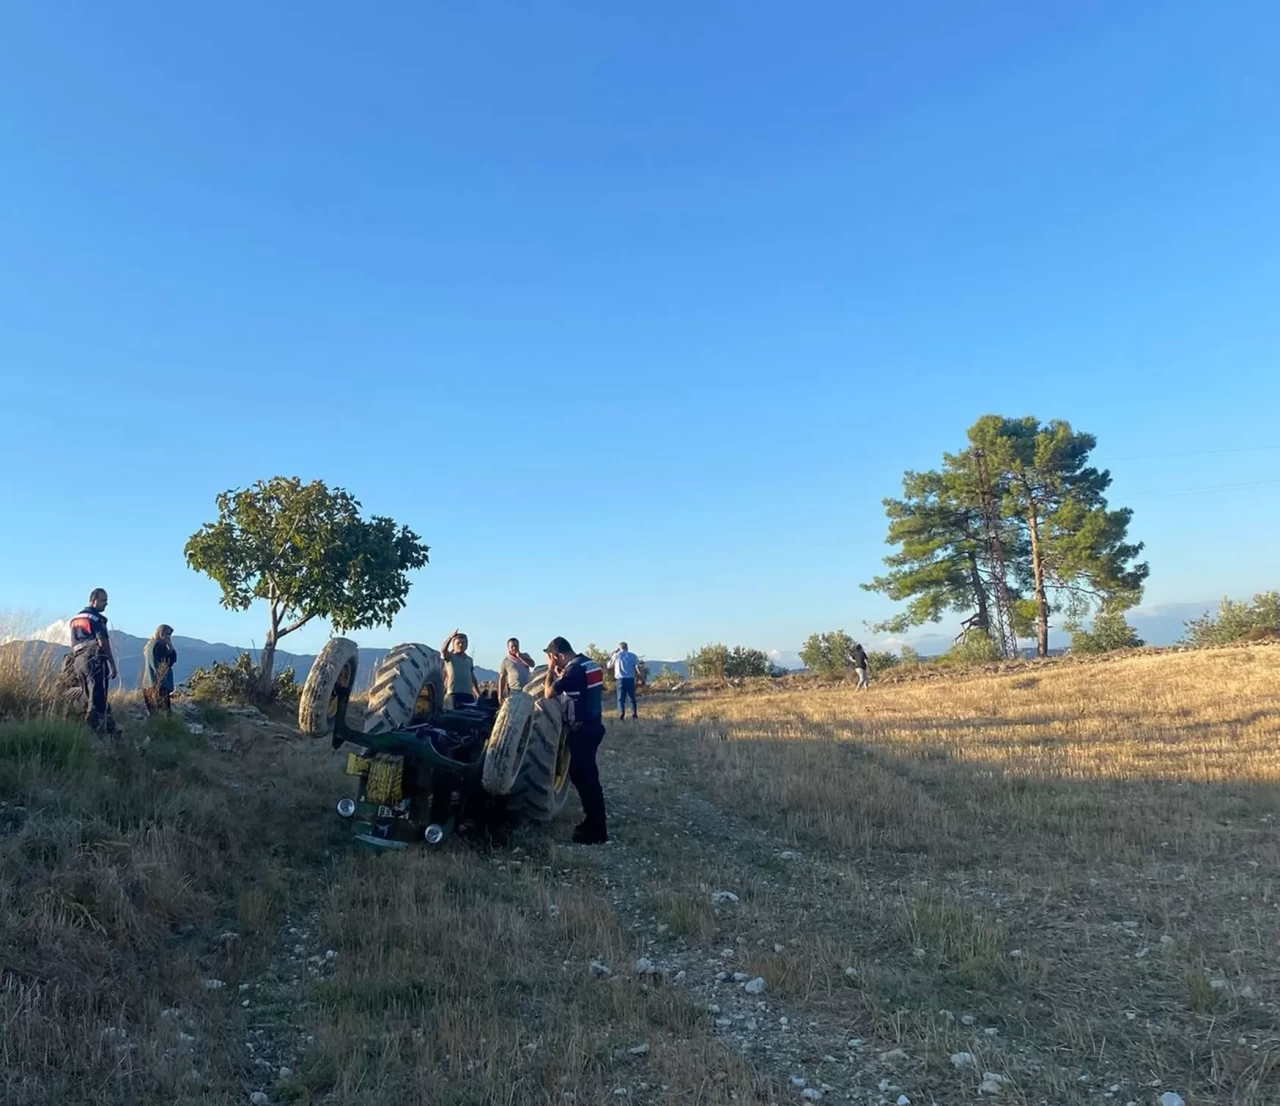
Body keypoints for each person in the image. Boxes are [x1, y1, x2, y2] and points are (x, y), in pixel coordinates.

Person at [544, 636, 608, 844]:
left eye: (553, 659)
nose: (554, 662)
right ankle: (593, 823)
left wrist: (549, 671)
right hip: (594, 725)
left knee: (586, 780)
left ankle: (596, 830)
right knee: (587, 777)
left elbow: (548, 693)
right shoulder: (589, 664)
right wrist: (563, 673)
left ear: (558, 656)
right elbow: (582, 688)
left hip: (581, 730)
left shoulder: (574, 670)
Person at [69, 588, 119, 736]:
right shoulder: (97, 619)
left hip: (78, 660)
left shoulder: (75, 620)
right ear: (93, 600)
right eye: (103, 600)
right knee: (98, 698)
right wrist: (112, 663)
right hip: (94, 658)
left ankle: (102, 731)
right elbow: (102, 641)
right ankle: (99, 734)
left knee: (88, 695)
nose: (106, 604)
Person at [142, 624, 178, 714]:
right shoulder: (160, 646)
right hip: (160, 684)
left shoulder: (149, 645)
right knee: (165, 713)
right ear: (161, 633)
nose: (168, 637)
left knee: (154, 713)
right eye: (167, 634)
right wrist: (170, 646)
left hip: (148, 683)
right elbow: (170, 661)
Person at [441, 629, 481, 708]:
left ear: (467, 645)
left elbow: (472, 677)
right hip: (453, 695)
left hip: (468, 695)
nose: (461, 645)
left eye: (463, 643)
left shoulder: (469, 660)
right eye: (458, 643)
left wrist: (478, 694)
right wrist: (450, 637)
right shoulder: (450, 657)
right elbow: (443, 650)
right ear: (453, 645)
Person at [497, 637, 535, 702]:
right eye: (512, 647)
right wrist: (500, 695)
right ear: (508, 648)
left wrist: (520, 657)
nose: (514, 648)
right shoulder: (506, 661)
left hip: (527, 690)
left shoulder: (525, 655)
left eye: (516, 646)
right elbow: (502, 678)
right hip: (514, 691)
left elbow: (532, 664)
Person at [610, 641, 639, 720]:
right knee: (632, 697)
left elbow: (609, 666)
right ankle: (634, 713)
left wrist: (613, 653)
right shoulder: (633, 656)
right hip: (630, 679)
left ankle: (621, 712)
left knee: (620, 698)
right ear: (627, 647)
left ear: (619, 648)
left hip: (620, 679)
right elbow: (637, 667)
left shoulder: (616, 655)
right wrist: (641, 676)